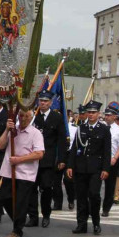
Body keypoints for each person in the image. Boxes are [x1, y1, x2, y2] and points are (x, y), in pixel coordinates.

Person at [0, 106, 44, 237]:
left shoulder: (35, 133)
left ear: (31, 118)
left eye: (26, 116)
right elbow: (0, 145)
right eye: (21, 116)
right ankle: (19, 219)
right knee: (4, 197)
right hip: (8, 171)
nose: (23, 119)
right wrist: (7, 129)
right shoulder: (13, 130)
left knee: (21, 202)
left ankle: (17, 230)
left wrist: (19, 159)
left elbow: (39, 153)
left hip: (25, 173)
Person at [66, 102, 110, 235]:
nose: (91, 115)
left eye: (93, 112)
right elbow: (75, 148)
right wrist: (70, 165)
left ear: (98, 114)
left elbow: (107, 151)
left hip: (96, 168)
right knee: (81, 196)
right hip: (81, 167)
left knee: (94, 194)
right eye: (89, 112)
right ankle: (81, 224)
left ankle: (96, 223)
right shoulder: (81, 128)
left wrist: (106, 169)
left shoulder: (104, 129)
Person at [33, 90, 68, 227]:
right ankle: (33, 216)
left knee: (47, 188)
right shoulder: (33, 117)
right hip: (33, 158)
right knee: (31, 189)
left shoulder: (56, 117)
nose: (43, 103)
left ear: (51, 103)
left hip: (48, 159)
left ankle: (46, 214)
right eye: (41, 101)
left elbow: (61, 140)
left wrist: (61, 159)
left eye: (46, 101)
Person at [102, 105, 119, 215]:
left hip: (111, 160)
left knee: (110, 186)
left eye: (109, 115)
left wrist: (115, 158)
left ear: (114, 117)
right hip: (99, 160)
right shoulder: (101, 127)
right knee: (94, 186)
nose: (106, 117)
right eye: (105, 115)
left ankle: (106, 208)